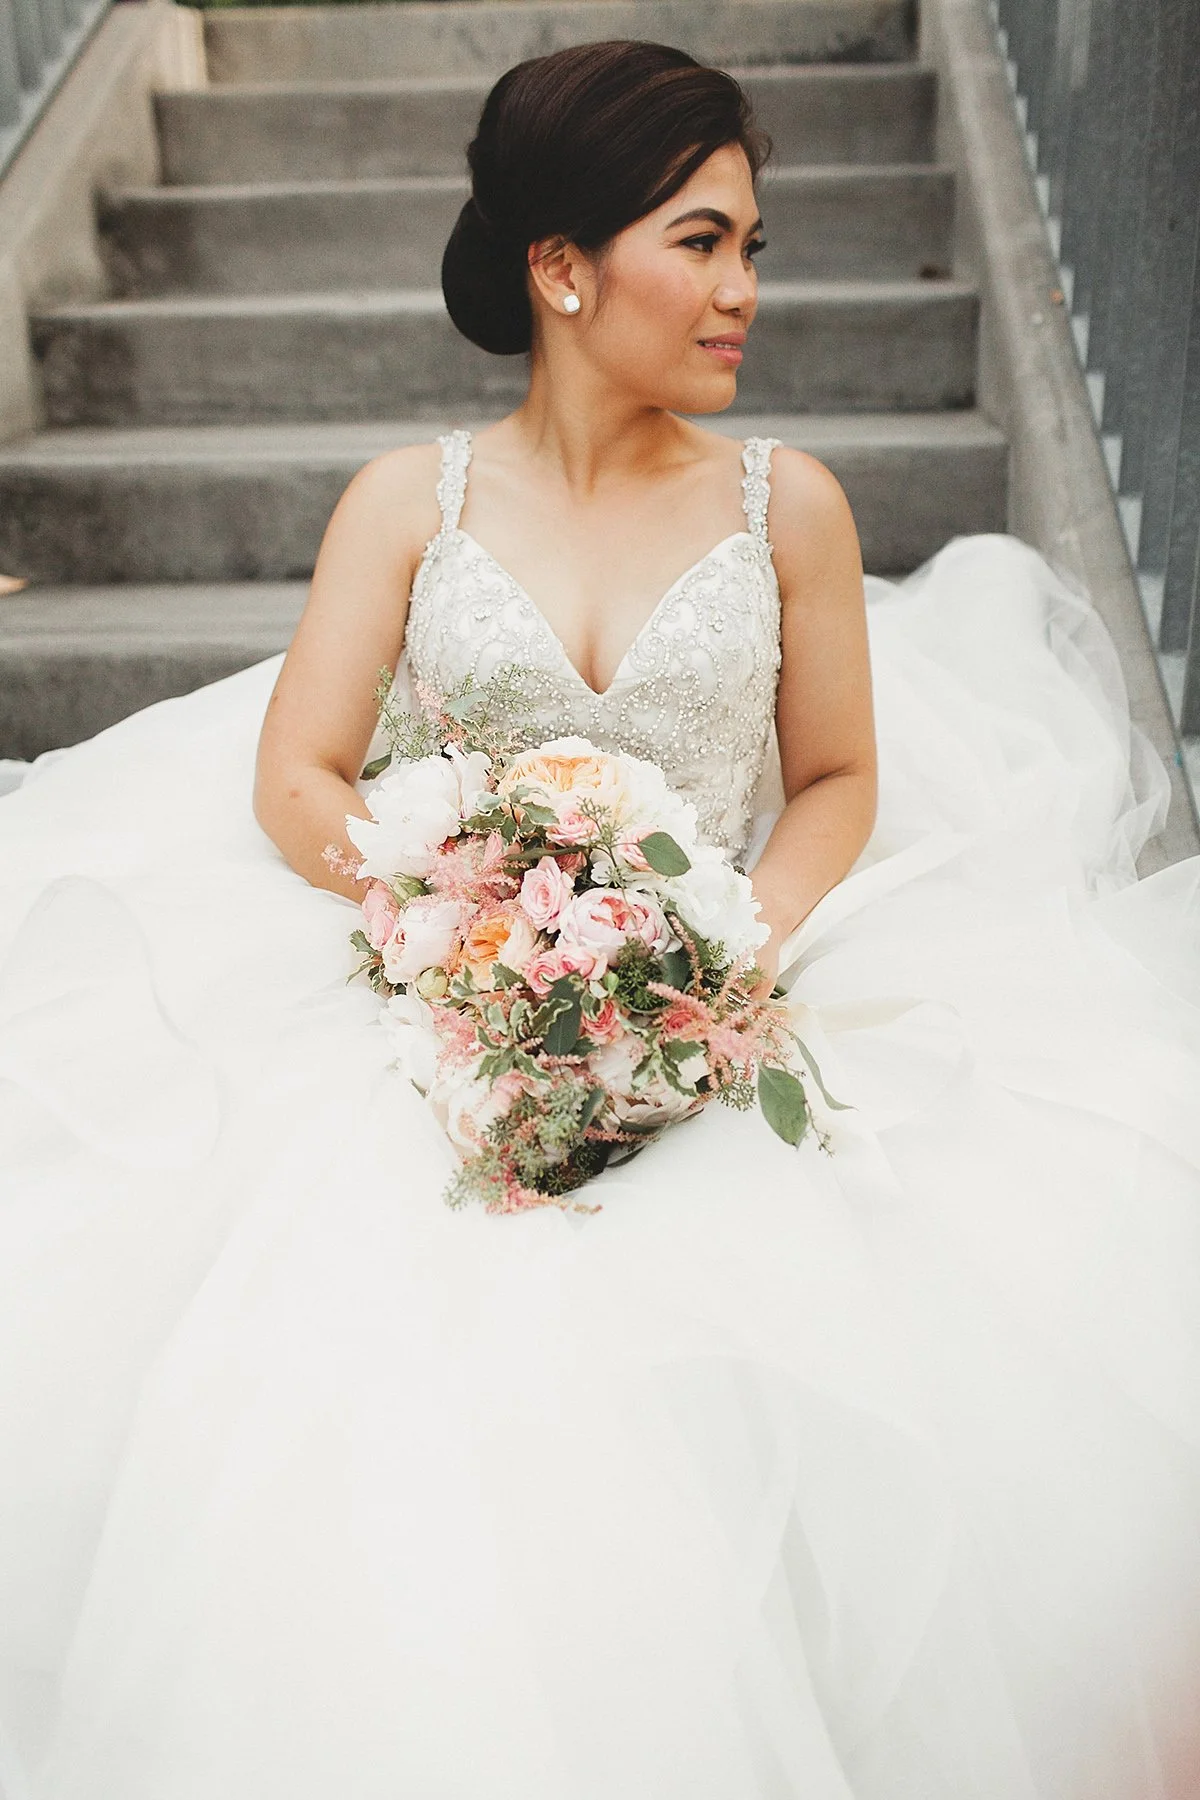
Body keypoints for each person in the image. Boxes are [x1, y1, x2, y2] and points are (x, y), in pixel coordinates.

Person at [1, 37, 1198, 1800]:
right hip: (440, 1004)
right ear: (565, 268)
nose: (744, 292)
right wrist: (458, 917)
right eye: (703, 242)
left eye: (757, 247)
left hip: (725, 990)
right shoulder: (409, 505)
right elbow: (299, 776)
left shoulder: (785, 504)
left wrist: (717, 948)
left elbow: (841, 780)